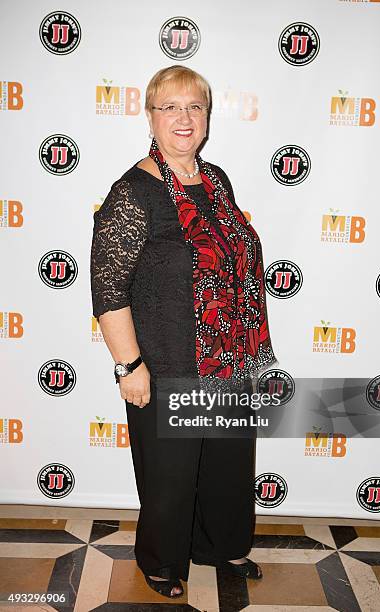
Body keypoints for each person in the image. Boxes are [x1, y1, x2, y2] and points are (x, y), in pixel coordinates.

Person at [90, 65, 277, 598]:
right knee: (170, 479)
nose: (183, 118)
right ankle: (162, 561)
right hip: (168, 364)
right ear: (149, 116)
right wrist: (130, 365)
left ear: (208, 118)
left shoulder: (216, 180)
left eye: (194, 107)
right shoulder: (133, 192)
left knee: (226, 467)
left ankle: (218, 548)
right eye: (169, 107)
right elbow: (108, 289)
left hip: (230, 363)